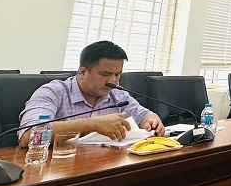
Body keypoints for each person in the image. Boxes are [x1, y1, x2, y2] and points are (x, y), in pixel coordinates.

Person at [18, 40, 165, 146]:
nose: (113, 81)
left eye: (117, 74)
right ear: (82, 72)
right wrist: (92, 124)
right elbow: (29, 136)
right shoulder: (53, 92)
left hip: (106, 166)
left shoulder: (118, 95)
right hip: (59, 170)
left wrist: (151, 122)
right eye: (105, 74)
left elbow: (144, 116)